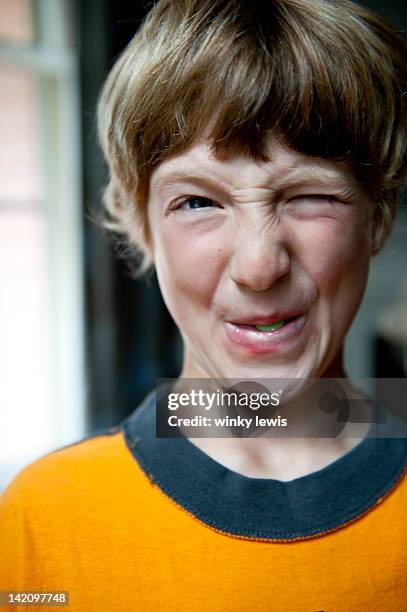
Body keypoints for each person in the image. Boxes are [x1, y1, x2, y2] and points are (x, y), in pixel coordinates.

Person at [1, 0, 407, 609]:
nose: (258, 266)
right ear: (140, 226)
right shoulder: (42, 520)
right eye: (198, 202)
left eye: (308, 195)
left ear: (377, 217)